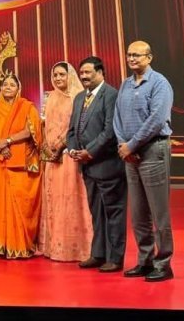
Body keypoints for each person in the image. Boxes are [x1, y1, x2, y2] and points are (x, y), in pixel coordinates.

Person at [114, 40, 175, 282]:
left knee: (159, 213)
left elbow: (157, 119)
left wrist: (132, 144)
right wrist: (123, 145)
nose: (132, 59)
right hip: (130, 154)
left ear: (149, 57)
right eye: (129, 55)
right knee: (138, 213)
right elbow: (117, 117)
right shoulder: (125, 84)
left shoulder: (159, 83)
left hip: (153, 151)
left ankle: (164, 263)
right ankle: (145, 260)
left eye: (137, 55)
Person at [67, 56, 127, 273]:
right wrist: (73, 149)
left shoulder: (111, 95)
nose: (83, 76)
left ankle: (115, 258)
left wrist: (89, 152)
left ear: (100, 72)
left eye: (88, 72)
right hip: (87, 167)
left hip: (107, 165)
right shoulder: (79, 97)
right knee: (96, 212)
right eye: (81, 72)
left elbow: (110, 131)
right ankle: (98, 254)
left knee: (113, 213)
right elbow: (72, 130)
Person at [0, 73, 43, 259]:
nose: (8, 87)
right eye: (5, 84)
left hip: (19, 161)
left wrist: (7, 141)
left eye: (12, 85)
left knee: (20, 201)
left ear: (18, 89)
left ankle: (21, 245)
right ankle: (0, 245)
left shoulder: (26, 106)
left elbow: (31, 130)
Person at [38, 62, 94, 262]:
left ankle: (75, 248)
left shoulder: (78, 97)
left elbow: (76, 126)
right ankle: (53, 246)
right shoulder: (50, 97)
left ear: (70, 76)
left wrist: (60, 145)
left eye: (62, 74)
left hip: (69, 155)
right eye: (55, 75)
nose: (58, 78)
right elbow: (44, 124)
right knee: (53, 198)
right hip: (51, 157)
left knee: (70, 198)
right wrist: (47, 147)